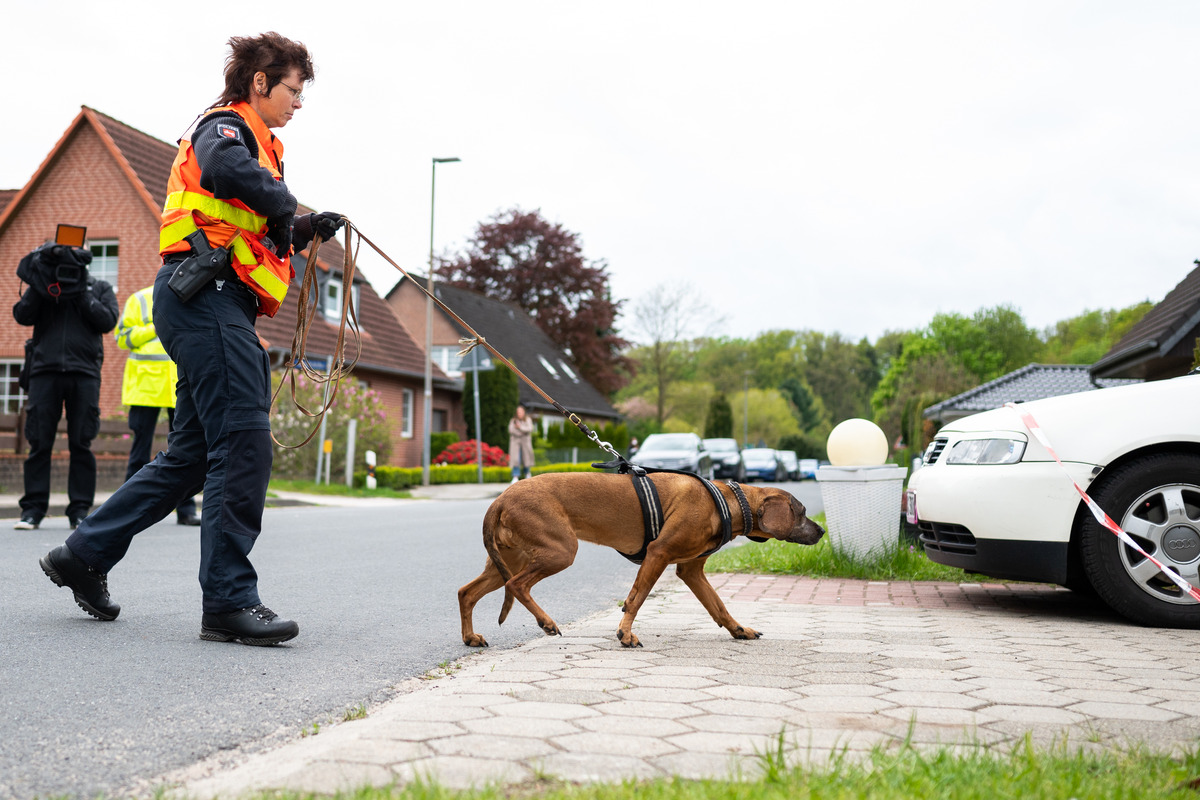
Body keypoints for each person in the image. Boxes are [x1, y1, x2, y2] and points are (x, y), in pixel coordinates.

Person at [39, 32, 343, 646]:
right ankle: (229, 601)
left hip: (207, 303)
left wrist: (304, 226)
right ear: (260, 81)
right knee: (245, 441)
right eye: (293, 89)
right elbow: (228, 173)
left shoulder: (263, 146)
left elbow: (248, 220)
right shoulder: (226, 127)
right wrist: (286, 203)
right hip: (207, 300)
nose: (299, 102)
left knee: (192, 457)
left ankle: (83, 554)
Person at [12, 243, 119, 530]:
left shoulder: (98, 287)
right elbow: (22, 315)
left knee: (81, 443)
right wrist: (41, 281)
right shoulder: (46, 287)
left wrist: (81, 291)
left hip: (84, 373)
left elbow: (108, 321)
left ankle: (80, 511)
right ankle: (32, 511)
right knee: (39, 442)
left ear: (85, 259)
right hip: (44, 372)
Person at [116, 285, 200, 526]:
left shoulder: (190, 293)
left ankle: (186, 511)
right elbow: (123, 338)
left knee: (187, 450)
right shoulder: (139, 298)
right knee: (140, 450)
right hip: (146, 387)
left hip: (179, 384)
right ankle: (128, 509)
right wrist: (156, 326)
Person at [508, 404, 534, 483]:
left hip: (525, 443)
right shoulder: (513, 420)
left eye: (520, 412)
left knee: (526, 459)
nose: (519, 413)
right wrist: (522, 432)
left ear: (524, 412)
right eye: (518, 412)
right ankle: (515, 476)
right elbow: (511, 430)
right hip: (516, 443)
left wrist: (520, 428)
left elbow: (529, 429)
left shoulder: (528, 420)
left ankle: (527, 474)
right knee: (516, 459)